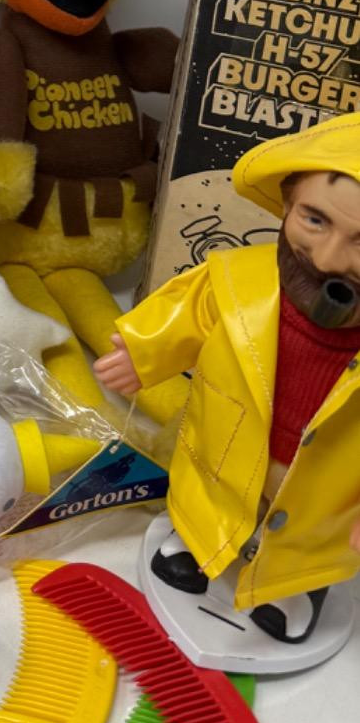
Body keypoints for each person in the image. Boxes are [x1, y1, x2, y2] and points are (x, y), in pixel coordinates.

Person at [94, 112, 360, 647]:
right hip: (229, 445)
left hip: (328, 486)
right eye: (314, 220)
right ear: (288, 201)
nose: (328, 260)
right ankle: (200, 543)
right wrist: (143, 351)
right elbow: (190, 310)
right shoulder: (238, 279)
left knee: (303, 538)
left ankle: (292, 587)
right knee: (213, 500)